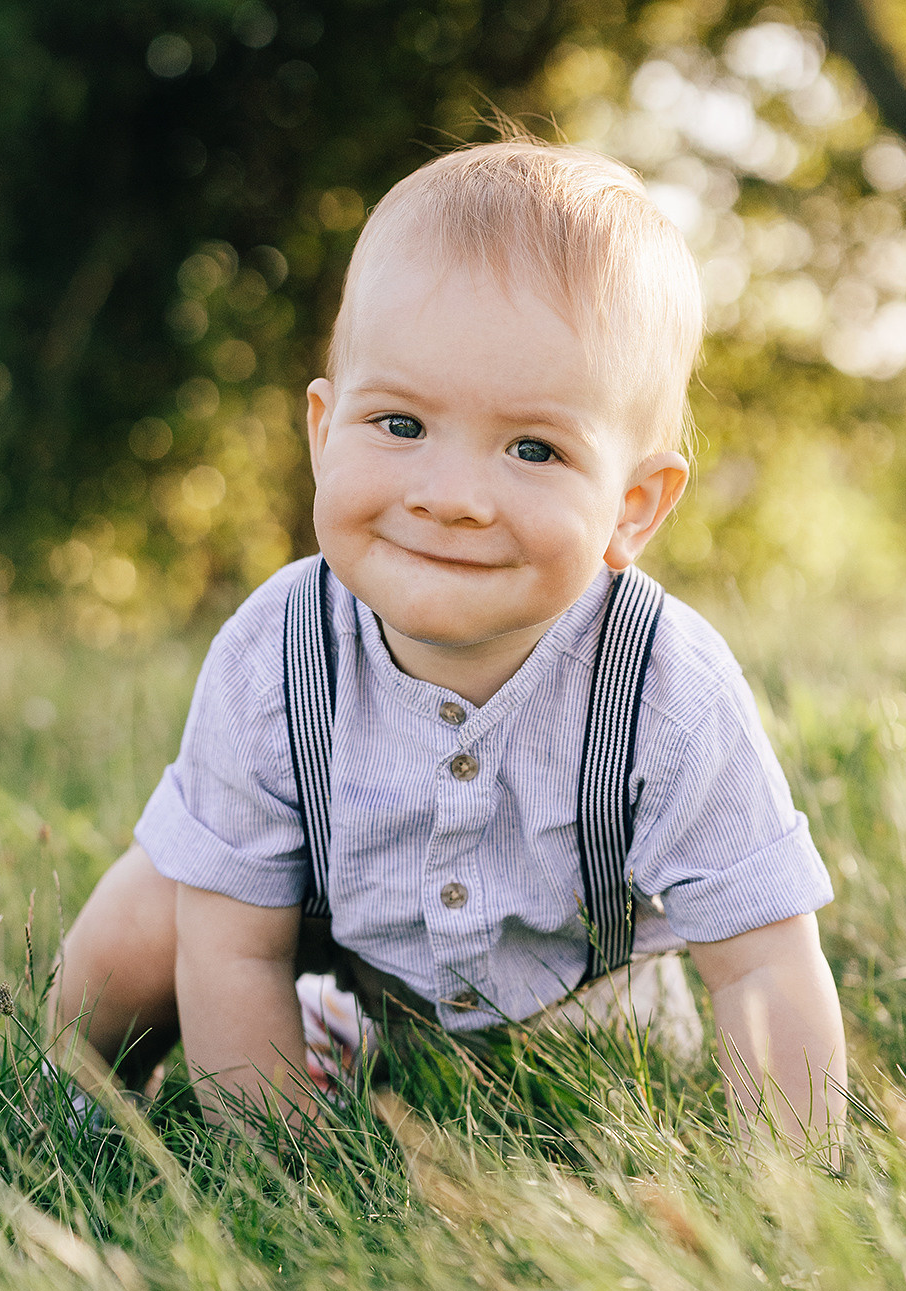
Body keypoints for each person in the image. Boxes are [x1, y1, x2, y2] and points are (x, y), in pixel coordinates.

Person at [55, 140, 846, 1155]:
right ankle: (75, 1093)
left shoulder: (665, 687)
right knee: (155, 900)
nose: (452, 497)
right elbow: (231, 948)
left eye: (532, 449)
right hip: (337, 994)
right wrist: (282, 1177)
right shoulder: (275, 654)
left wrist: (791, 1193)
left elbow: (763, 958)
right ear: (322, 431)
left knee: (606, 1078)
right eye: (399, 424)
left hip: (586, 1026)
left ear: (633, 506)